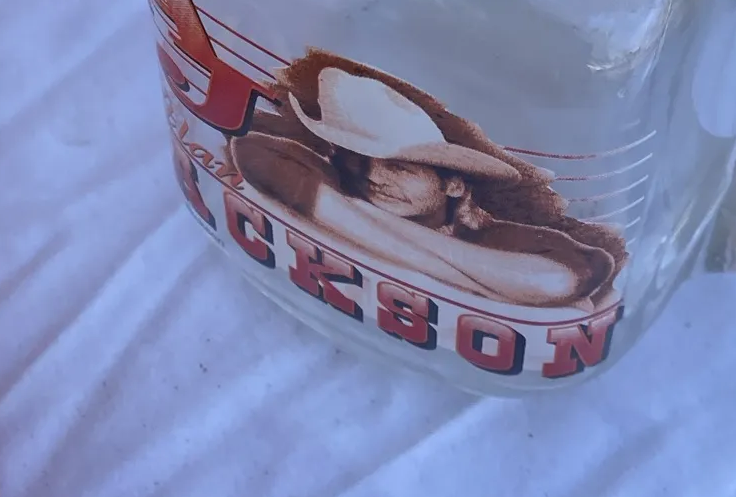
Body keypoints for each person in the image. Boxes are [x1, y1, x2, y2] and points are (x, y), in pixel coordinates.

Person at [232, 48, 623, 312]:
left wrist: (367, 226)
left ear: (454, 183)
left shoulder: (504, 237)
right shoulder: (334, 180)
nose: (371, 176)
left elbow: (563, 280)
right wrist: (468, 277)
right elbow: (253, 151)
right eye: (357, 159)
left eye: (400, 167)